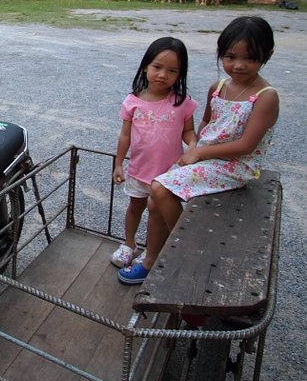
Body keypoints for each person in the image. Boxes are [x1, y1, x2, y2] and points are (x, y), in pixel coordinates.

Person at [119, 16, 279, 285]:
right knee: (153, 199)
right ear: (221, 53)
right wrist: (196, 145)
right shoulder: (217, 88)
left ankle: (185, 251)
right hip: (207, 158)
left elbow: (246, 145)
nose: (238, 65)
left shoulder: (265, 96)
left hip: (234, 165)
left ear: (267, 55)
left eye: (250, 58)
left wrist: (199, 154)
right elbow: (206, 124)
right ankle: (151, 260)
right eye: (230, 56)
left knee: (158, 188)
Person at [111, 37, 197, 269]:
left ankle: (153, 250)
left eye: (172, 70)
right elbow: (125, 136)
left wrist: (195, 146)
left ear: (180, 74)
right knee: (135, 207)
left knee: (157, 214)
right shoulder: (133, 101)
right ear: (145, 66)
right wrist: (119, 164)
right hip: (139, 170)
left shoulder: (182, 102)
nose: (162, 75)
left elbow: (188, 131)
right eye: (157, 67)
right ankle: (129, 244)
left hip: (168, 176)